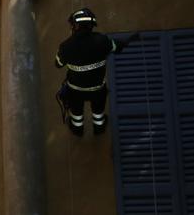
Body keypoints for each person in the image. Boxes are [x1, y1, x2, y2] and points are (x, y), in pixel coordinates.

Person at [55, 8, 140, 136]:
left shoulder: (66, 46)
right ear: (92, 26)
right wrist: (128, 41)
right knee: (98, 113)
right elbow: (116, 46)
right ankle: (99, 128)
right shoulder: (102, 40)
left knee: (76, 114)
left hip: (75, 90)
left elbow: (58, 64)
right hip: (97, 90)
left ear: (75, 26)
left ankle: (77, 129)